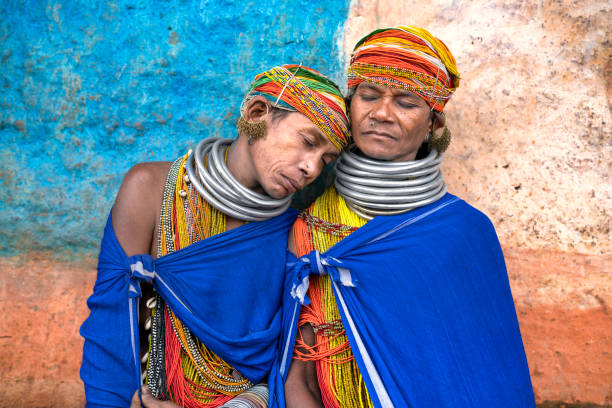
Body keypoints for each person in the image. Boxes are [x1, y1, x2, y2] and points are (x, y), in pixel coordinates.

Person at [279, 26, 535, 407]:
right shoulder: (310, 229)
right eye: (367, 95)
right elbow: (298, 371)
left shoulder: (464, 233)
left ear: (434, 124)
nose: (381, 113)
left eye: (406, 102)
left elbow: (483, 373)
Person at [80, 64, 350, 408]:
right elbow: (111, 335)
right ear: (257, 112)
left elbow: (292, 370)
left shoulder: (299, 235)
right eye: (307, 141)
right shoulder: (151, 191)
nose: (311, 168)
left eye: (325, 160)